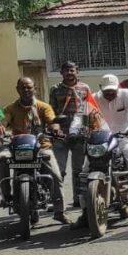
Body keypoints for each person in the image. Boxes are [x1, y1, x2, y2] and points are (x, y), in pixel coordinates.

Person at [76, 74, 128, 227]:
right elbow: (81, 116)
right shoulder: (93, 98)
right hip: (101, 140)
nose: (109, 93)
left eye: (112, 90)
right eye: (106, 91)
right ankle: (85, 212)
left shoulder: (126, 95)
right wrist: (77, 129)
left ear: (117, 88)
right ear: (101, 89)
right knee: (84, 172)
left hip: (125, 139)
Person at [0, 77, 71, 226]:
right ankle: (6, 195)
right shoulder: (10, 108)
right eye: (22, 88)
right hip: (17, 147)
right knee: (0, 158)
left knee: (56, 175)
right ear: (17, 90)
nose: (26, 90)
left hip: (41, 146)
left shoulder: (43, 107)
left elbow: (52, 122)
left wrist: (55, 130)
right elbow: (2, 123)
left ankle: (59, 211)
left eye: (29, 87)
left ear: (34, 89)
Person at [48, 61, 92, 207]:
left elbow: (89, 110)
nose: (69, 73)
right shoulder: (55, 89)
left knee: (78, 170)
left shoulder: (85, 88)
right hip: (61, 134)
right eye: (66, 70)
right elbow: (51, 112)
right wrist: (55, 128)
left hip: (79, 135)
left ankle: (78, 199)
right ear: (61, 73)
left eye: (72, 70)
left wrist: (88, 128)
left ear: (77, 71)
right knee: (58, 170)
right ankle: (56, 202)